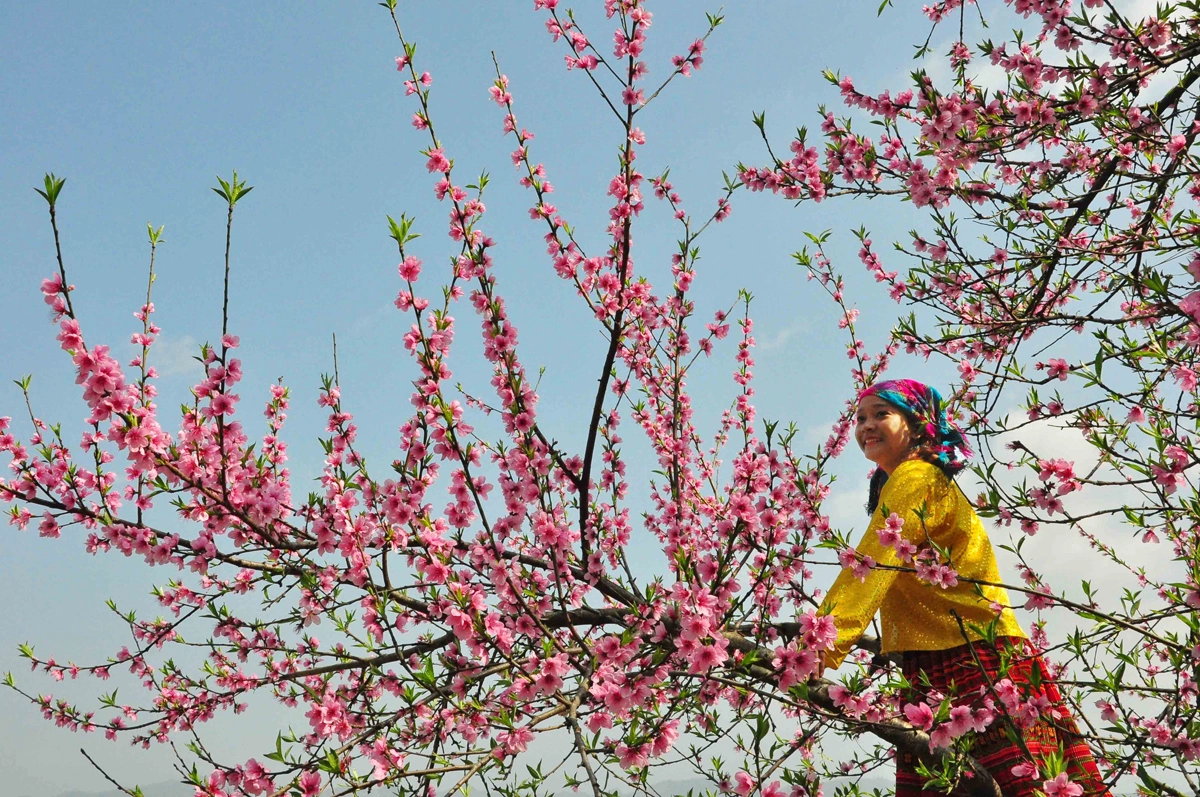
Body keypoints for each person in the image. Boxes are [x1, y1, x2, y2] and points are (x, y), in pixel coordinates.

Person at [816, 379, 1110, 797]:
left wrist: (819, 646)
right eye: (860, 417)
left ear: (917, 425)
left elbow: (870, 565)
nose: (866, 425)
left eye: (882, 413)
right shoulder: (904, 479)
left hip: (971, 656)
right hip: (945, 655)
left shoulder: (916, 476)